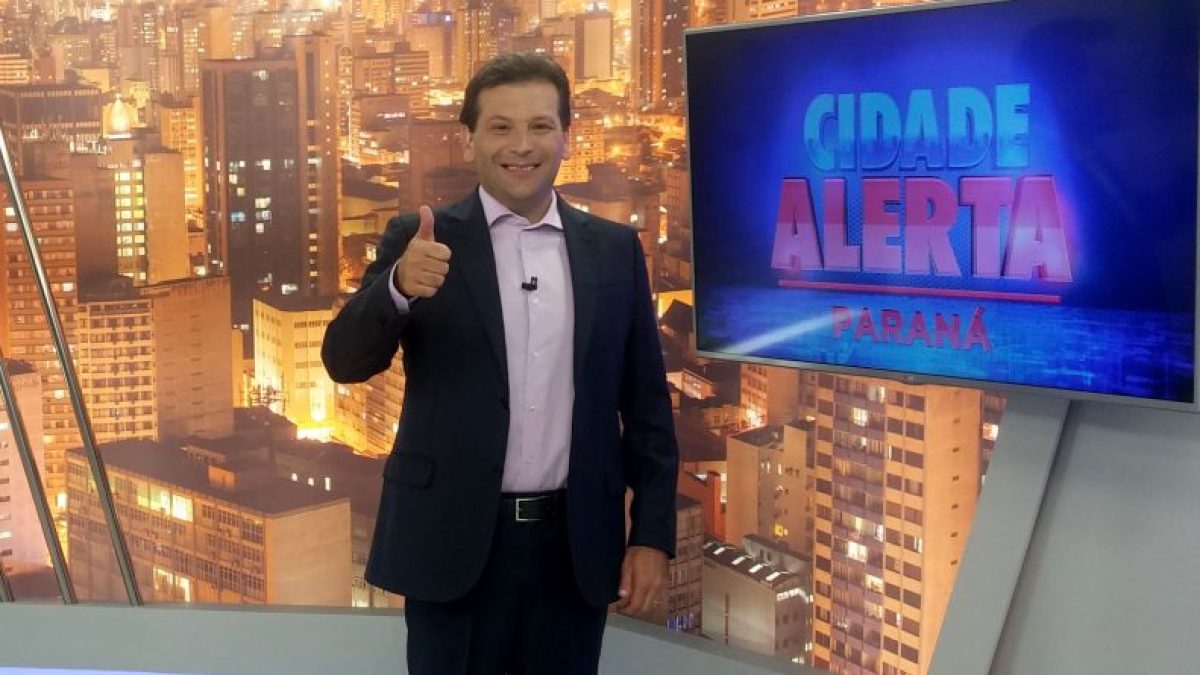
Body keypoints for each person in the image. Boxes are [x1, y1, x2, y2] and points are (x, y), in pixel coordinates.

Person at [321, 51, 679, 674]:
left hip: (574, 550)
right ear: (470, 140)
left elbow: (647, 408)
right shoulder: (421, 238)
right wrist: (397, 288)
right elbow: (343, 362)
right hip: (451, 540)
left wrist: (650, 535)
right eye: (501, 127)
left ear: (566, 137)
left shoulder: (614, 251)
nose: (521, 145)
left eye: (540, 126)